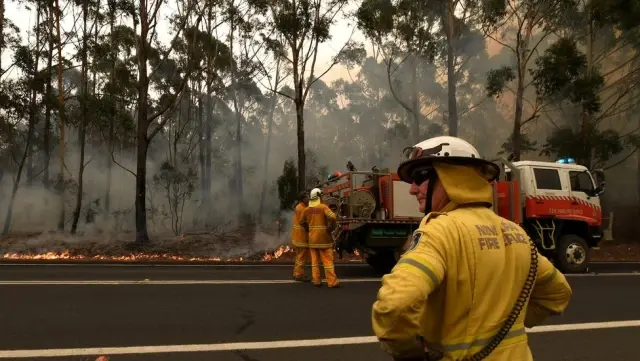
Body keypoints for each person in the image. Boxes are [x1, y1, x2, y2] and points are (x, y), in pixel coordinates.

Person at [371, 136, 572, 361]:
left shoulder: (439, 231)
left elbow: (395, 306)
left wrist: (409, 352)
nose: (412, 189)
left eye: (420, 177)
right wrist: (507, 322)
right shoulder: (517, 233)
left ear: (454, 177)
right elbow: (558, 292)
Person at [300, 188, 341, 288]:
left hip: (312, 239)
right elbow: (333, 217)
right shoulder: (323, 207)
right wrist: (330, 226)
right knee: (328, 261)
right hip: (324, 239)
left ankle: (317, 281)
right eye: (321, 196)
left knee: (314, 262)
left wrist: (309, 229)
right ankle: (332, 282)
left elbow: (302, 222)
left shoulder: (306, 210)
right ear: (318, 197)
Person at [291, 191, 310, 282]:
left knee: (299, 257)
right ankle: (299, 275)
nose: (309, 198)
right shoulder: (302, 208)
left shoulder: (298, 207)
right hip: (302, 237)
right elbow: (303, 222)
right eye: (307, 197)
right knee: (302, 257)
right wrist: (310, 230)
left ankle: (296, 273)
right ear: (303, 199)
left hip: (297, 237)